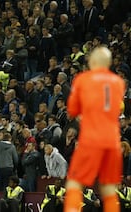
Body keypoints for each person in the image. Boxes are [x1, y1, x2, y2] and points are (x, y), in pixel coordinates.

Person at [64, 47, 126, 212]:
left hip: (91, 139)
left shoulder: (82, 79)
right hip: (112, 141)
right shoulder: (119, 83)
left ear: (92, 62)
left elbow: (72, 110)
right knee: (109, 188)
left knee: (74, 182)